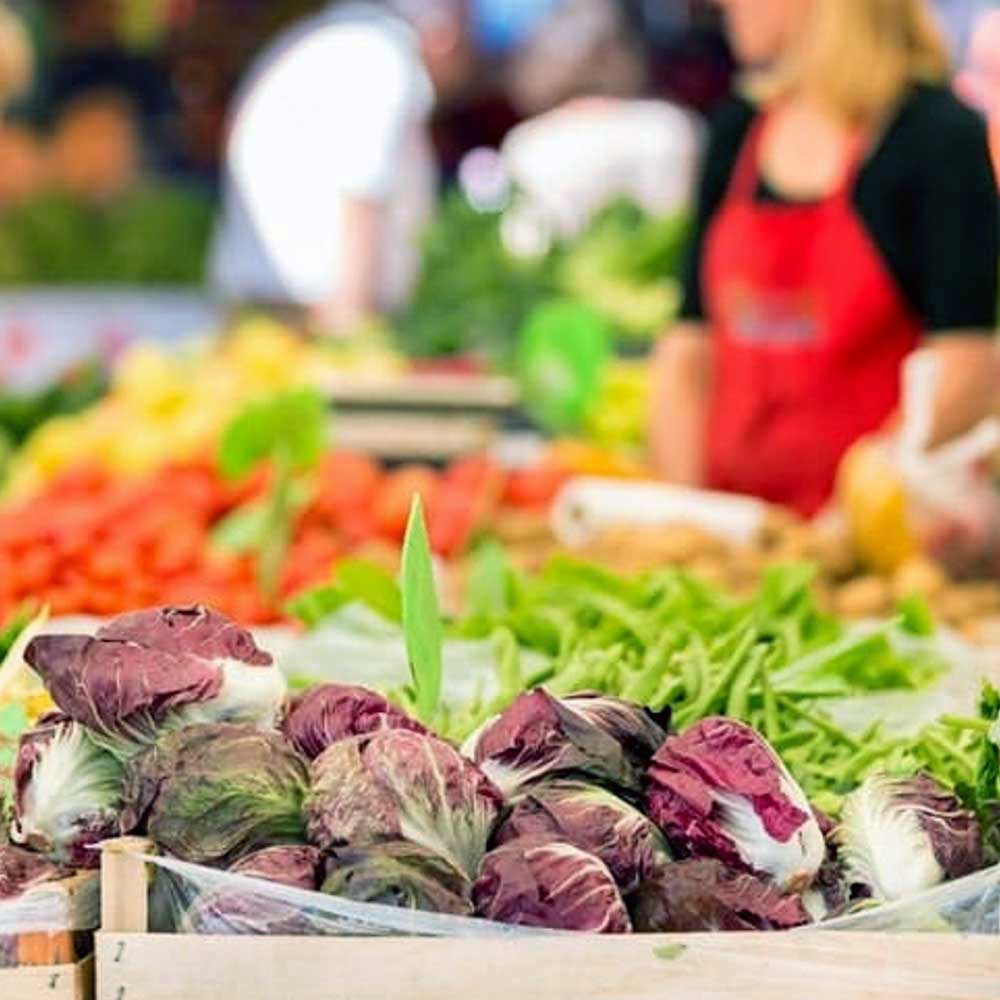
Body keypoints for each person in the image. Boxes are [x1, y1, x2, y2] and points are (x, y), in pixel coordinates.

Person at [650, 0, 999, 518]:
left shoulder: (938, 138)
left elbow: (965, 368)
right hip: (737, 530)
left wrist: (851, 518)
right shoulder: (735, 132)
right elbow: (687, 350)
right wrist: (694, 519)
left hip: (879, 539)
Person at [210, 0, 472, 332]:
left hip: (266, 309)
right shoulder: (382, 58)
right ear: (444, 34)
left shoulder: (308, 41)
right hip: (314, 318)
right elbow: (361, 195)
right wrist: (350, 331)